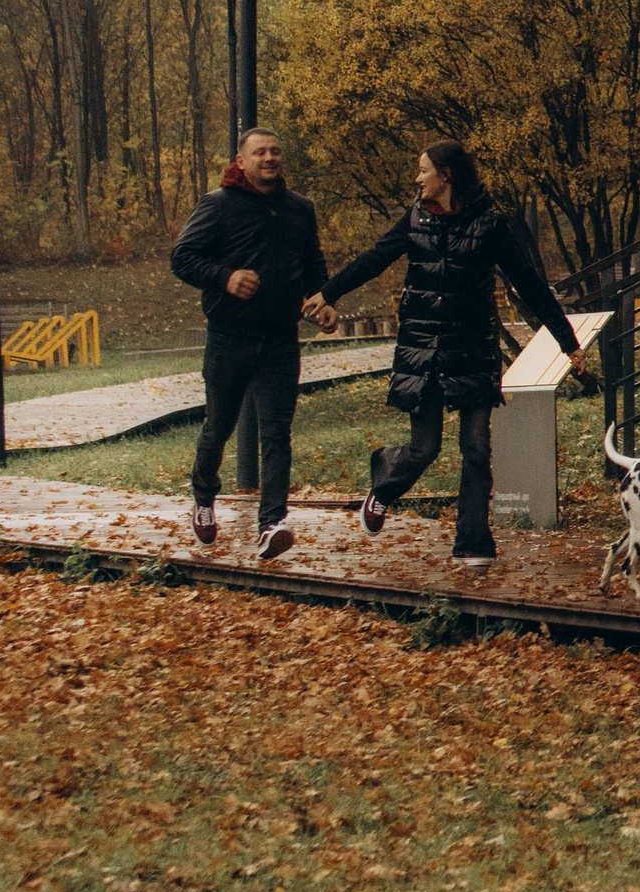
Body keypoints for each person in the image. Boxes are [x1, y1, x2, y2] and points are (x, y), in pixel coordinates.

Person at [309, 139, 585, 567]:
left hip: (473, 352)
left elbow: (529, 285)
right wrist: (328, 293)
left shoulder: (492, 225)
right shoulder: (415, 218)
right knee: (425, 448)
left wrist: (568, 341)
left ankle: (473, 542)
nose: (417, 179)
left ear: (446, 176)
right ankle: (384, 482)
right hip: (425, 351)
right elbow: (374, 259)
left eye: (423, 171)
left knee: (476, 448)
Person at [169, 127, 335, 560]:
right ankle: (204, 499)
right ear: (240, 161)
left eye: (276, 151)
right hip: (230, 338)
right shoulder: (218, 205)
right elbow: (182, 258)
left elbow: (313, 262)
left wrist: (324, 300)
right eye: (259, 152)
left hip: (281, 339)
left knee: (277, 432)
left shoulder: (299, 208)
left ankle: (271, 524)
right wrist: (226, 277)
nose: (269, 158)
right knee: (218, 427)